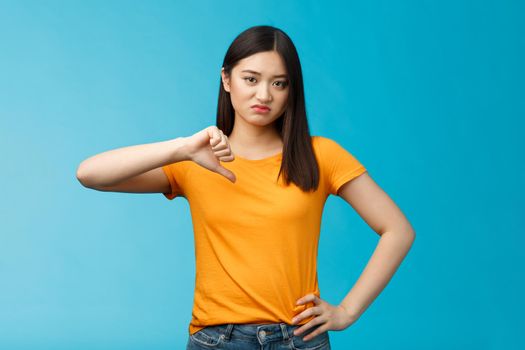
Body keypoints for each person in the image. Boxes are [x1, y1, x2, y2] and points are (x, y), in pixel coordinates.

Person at [76, 25, 415, 350]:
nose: (264, 94)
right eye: (250, 79)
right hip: (217, 340)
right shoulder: (196, 160)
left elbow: (398, 230)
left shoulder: (321, 156)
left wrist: (347, 311)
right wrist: (180, 149)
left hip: (298, 339)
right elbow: (90, 174)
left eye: (279, 83)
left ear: (291, 90)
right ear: (226, 79)